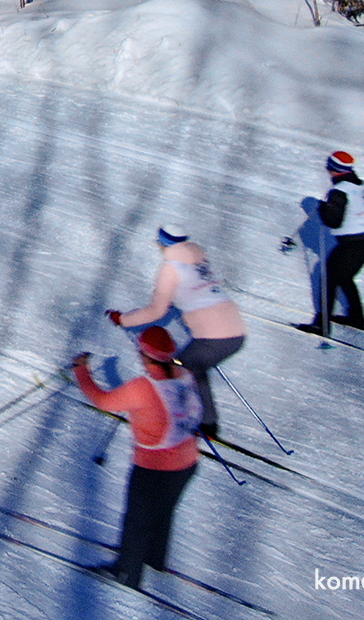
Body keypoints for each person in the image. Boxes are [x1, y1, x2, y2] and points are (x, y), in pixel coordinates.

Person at [72, 326, 202, 591]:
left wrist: (81, 370)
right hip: (188, 461)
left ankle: (127, 572)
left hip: (155, 466)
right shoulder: (184, 375)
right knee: (163, 511)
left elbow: (102, 400)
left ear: (145, 355)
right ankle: (155, 560)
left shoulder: (143, 388)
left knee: (138, 518)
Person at [108, 226, 246, 438]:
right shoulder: (198, 257)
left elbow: (156, 310)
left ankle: (196, 422)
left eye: (159, 241)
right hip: (236, 331)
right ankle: (205, 422)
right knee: (193, 367)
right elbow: (192, 288)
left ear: (163, 243)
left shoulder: (170, 267)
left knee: (176, 368)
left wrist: (124, 319)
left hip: (215, 337)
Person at [300, 151, 364, 335]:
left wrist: (323, 209)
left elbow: (334, 221)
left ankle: (322, 325)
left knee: (329, 278)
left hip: (354, 245)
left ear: (334, 170)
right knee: (343, 276)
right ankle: (357, 318)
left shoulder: (339, 191)